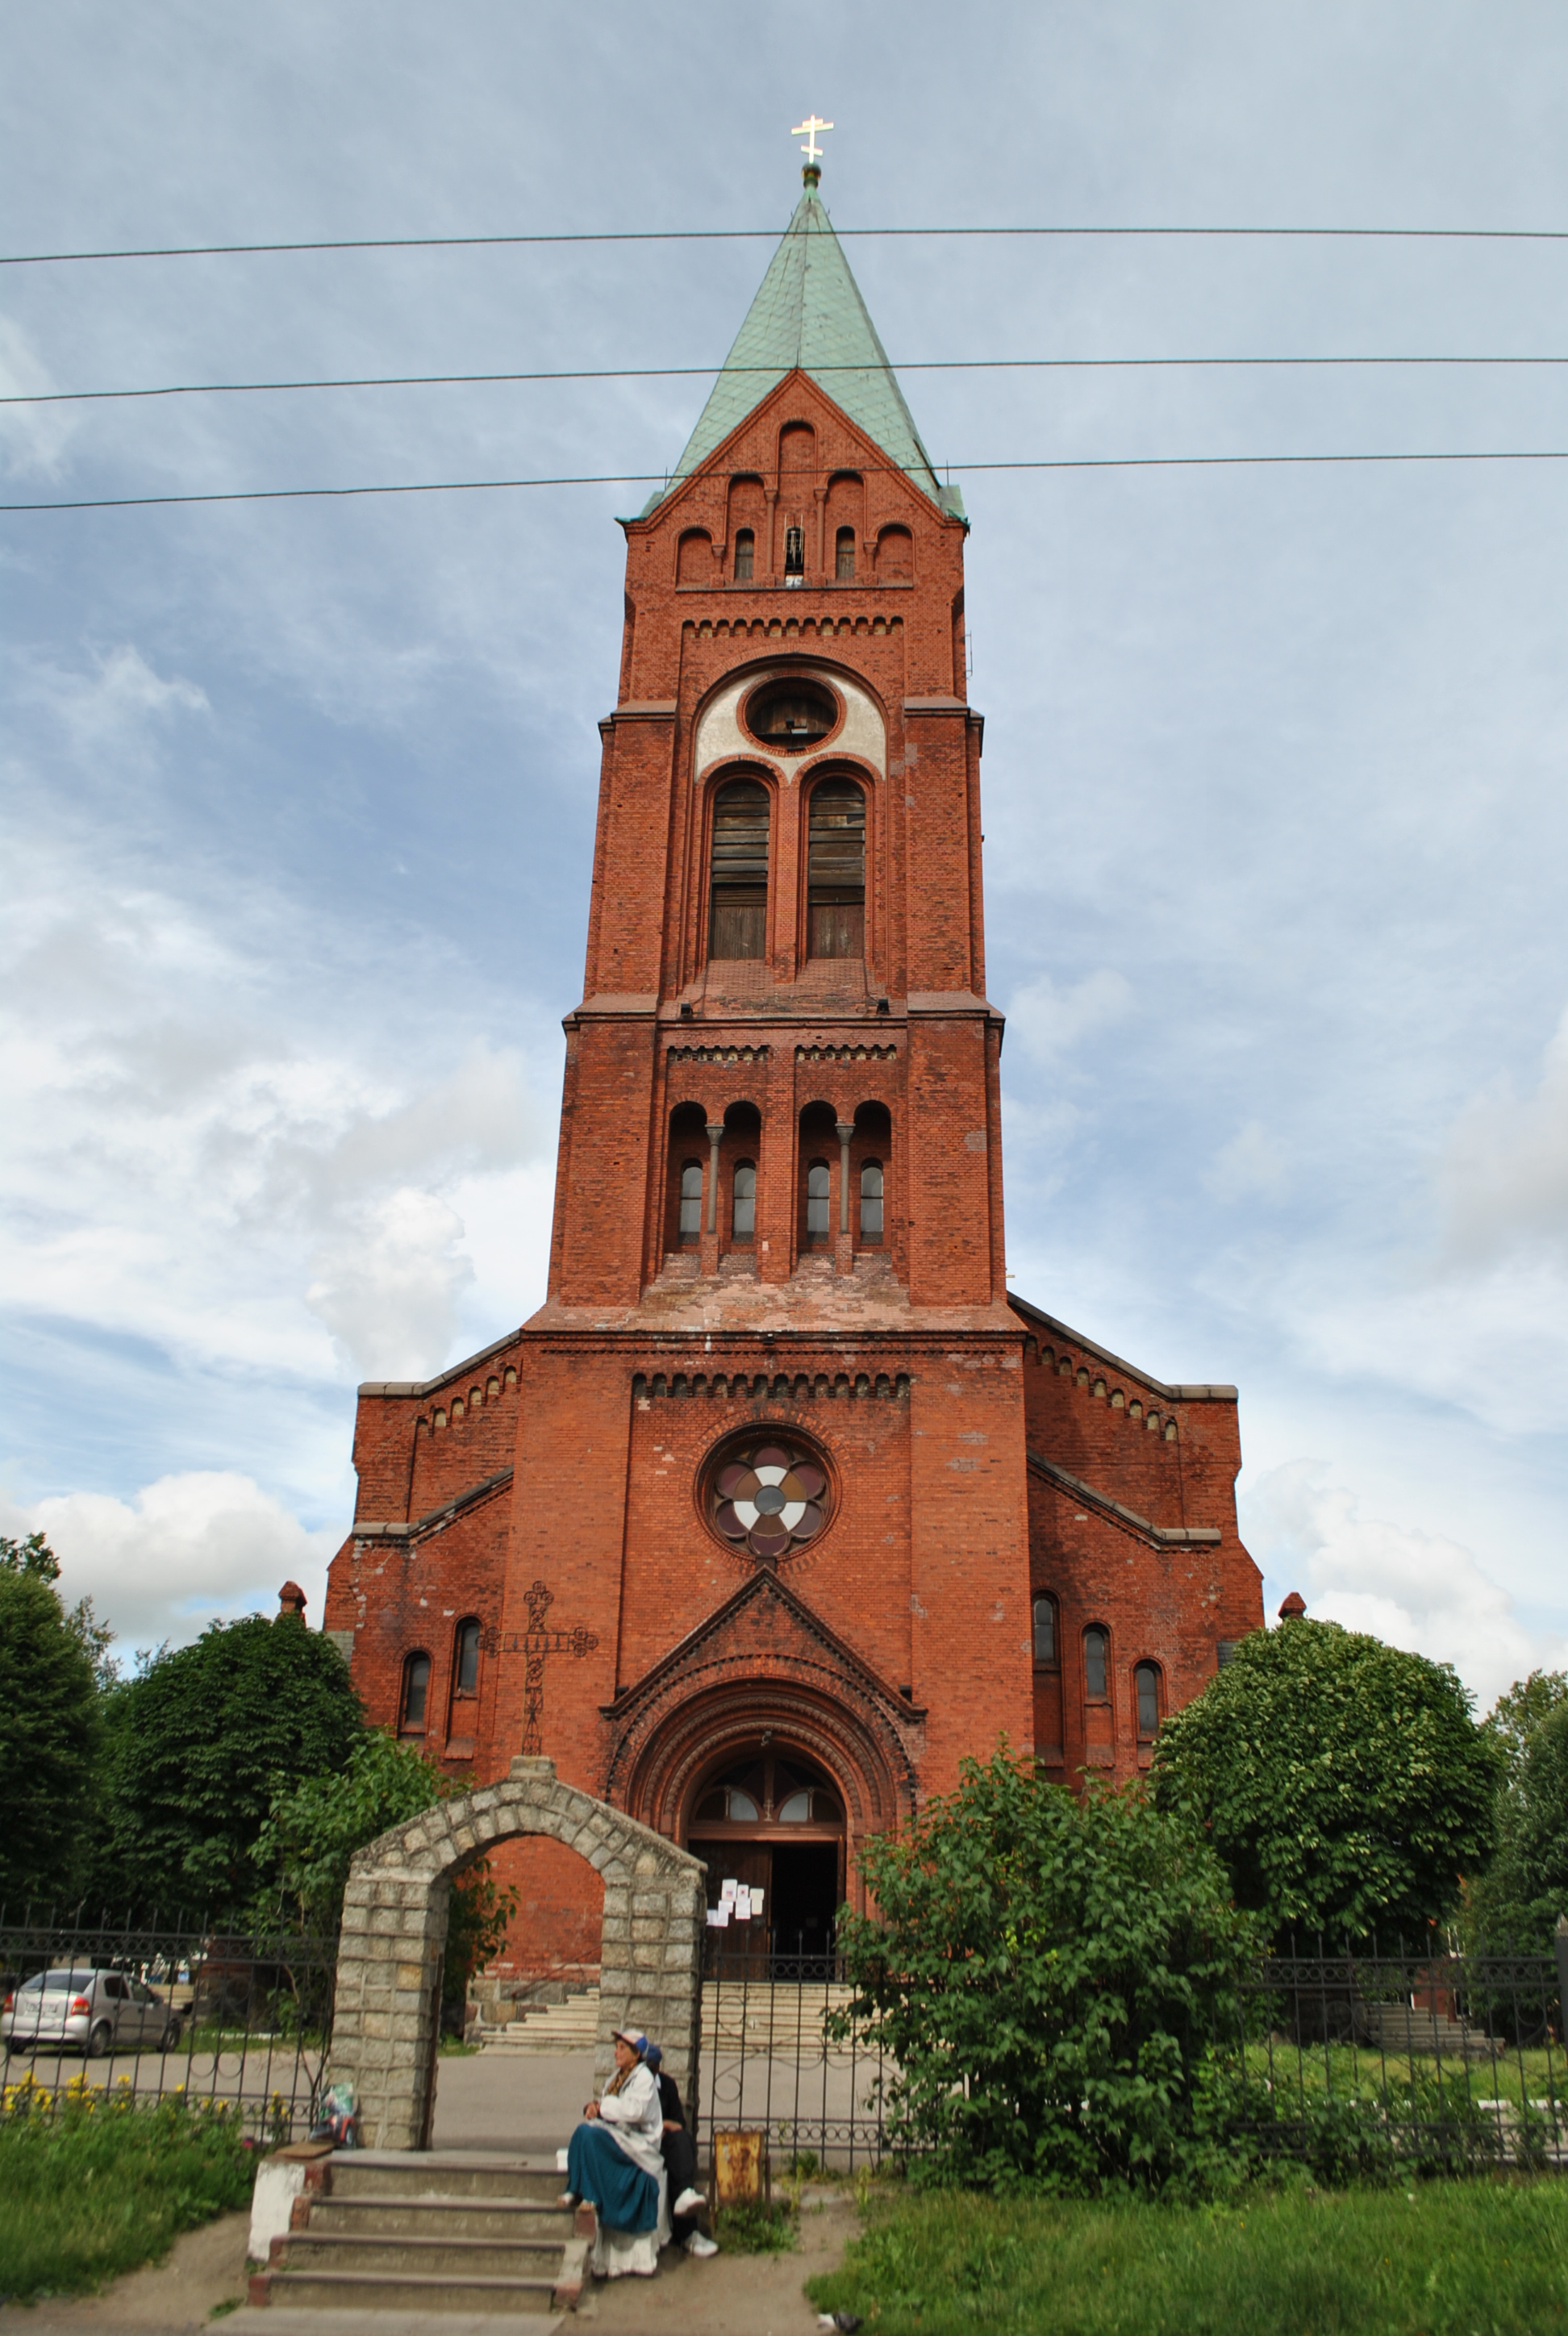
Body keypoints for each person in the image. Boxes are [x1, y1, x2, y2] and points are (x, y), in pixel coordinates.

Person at [561, 2028, 670, 2279]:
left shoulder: (643, 2078)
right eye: (616, 2047)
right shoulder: (617, 2077)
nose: (616, 2052)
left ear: (635, 2054)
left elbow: (633, 2112)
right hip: (619, 2136)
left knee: (591, 2136)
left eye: (622, 2048)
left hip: (638, 2145)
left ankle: (590, 2195)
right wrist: (594, 2107)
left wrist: (604, 2108)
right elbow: (606, 2105)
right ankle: (574, 2189)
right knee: (582, 2133)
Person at [645, 2042, 718, 2258]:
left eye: (653, 2066)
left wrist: (663, 2127)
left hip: (661, 2143)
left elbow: (677, 2124)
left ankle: (688, 2224)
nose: (650, 2070)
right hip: (637, 2143)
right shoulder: (625, 2083)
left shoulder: (666, 2085)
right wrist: (660, 2126)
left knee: (681, 2143)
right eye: (646, 2065)